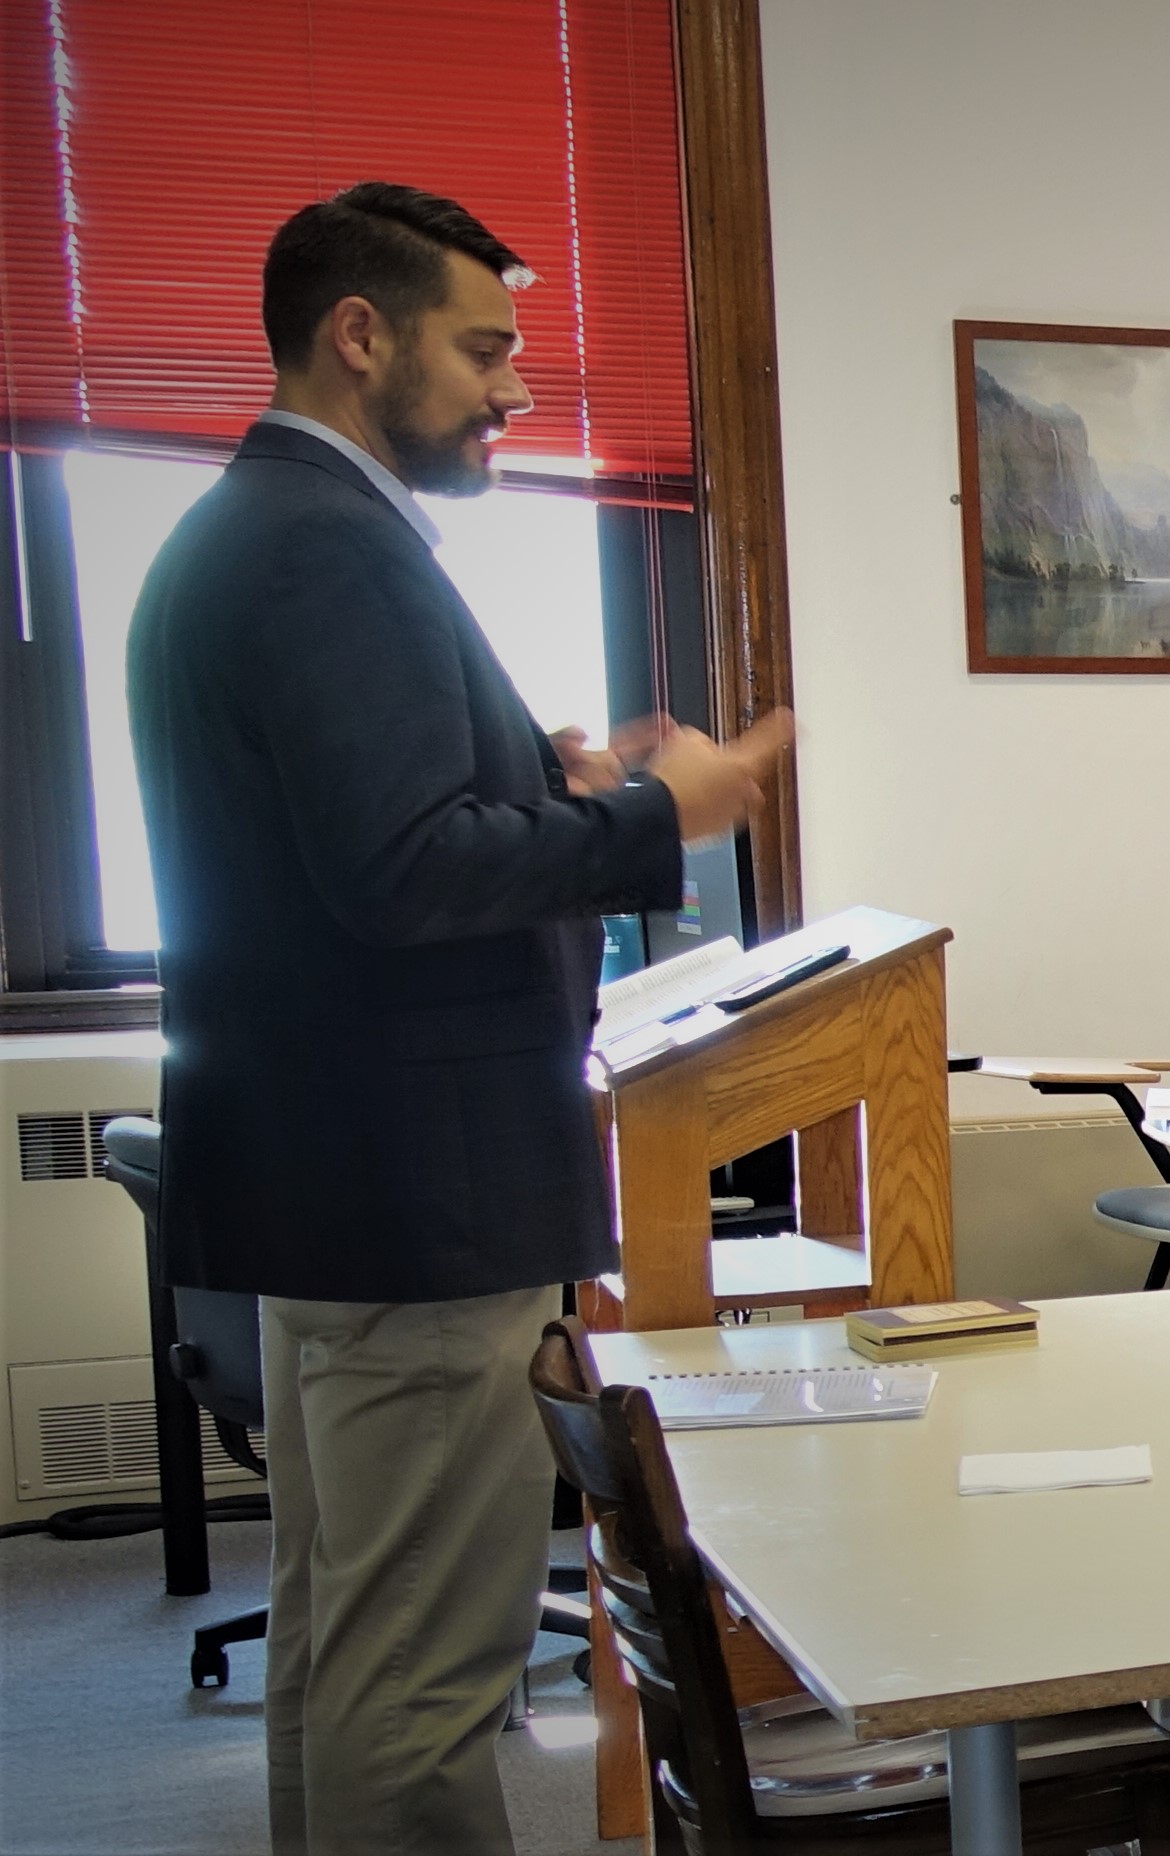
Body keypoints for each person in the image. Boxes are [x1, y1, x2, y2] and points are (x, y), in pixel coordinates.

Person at [127, 183, 789, 1855]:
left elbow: (367, 833)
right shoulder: (326, 550)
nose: (516, 391)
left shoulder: (260, 530)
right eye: (485, 347)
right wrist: (661, 817)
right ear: (363, 336)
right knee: (425, 1683)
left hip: (346, 1183)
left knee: (345, 1654)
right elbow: (407, 872)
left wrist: (548, 781)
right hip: (415, 1202)